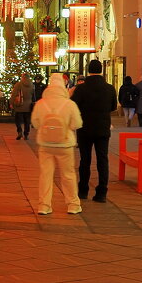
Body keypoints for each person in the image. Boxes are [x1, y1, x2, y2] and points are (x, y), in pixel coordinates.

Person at [31, 73, 83, 215]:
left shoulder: (41, 103)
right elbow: (77, 124)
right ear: (63, 85)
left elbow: (35, 123)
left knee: (46, 175)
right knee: (68, 174)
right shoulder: (69, 104)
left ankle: (44, 205)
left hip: (45, 144)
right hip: (65, 144)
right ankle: (73, 205)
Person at [71, 59, 118, 203]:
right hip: (103, 128)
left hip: (84, 128)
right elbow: (113, 107)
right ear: (101, 71)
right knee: (102, 160)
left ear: (88, 70)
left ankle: (83, 190)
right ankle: (101, 192)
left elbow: (74, 106)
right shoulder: (110, 88)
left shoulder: (81, 88)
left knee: (85, 160)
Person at [10, 73, 34, 140]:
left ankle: (20, 131)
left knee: (18, 120)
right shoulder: (31, 85)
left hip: (19, 105)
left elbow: (14, 94)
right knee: (27, 121)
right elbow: (33, 95)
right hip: (28, 106)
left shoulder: (18, 84)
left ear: (22, 77)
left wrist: (11, 103)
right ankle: (26, 134)